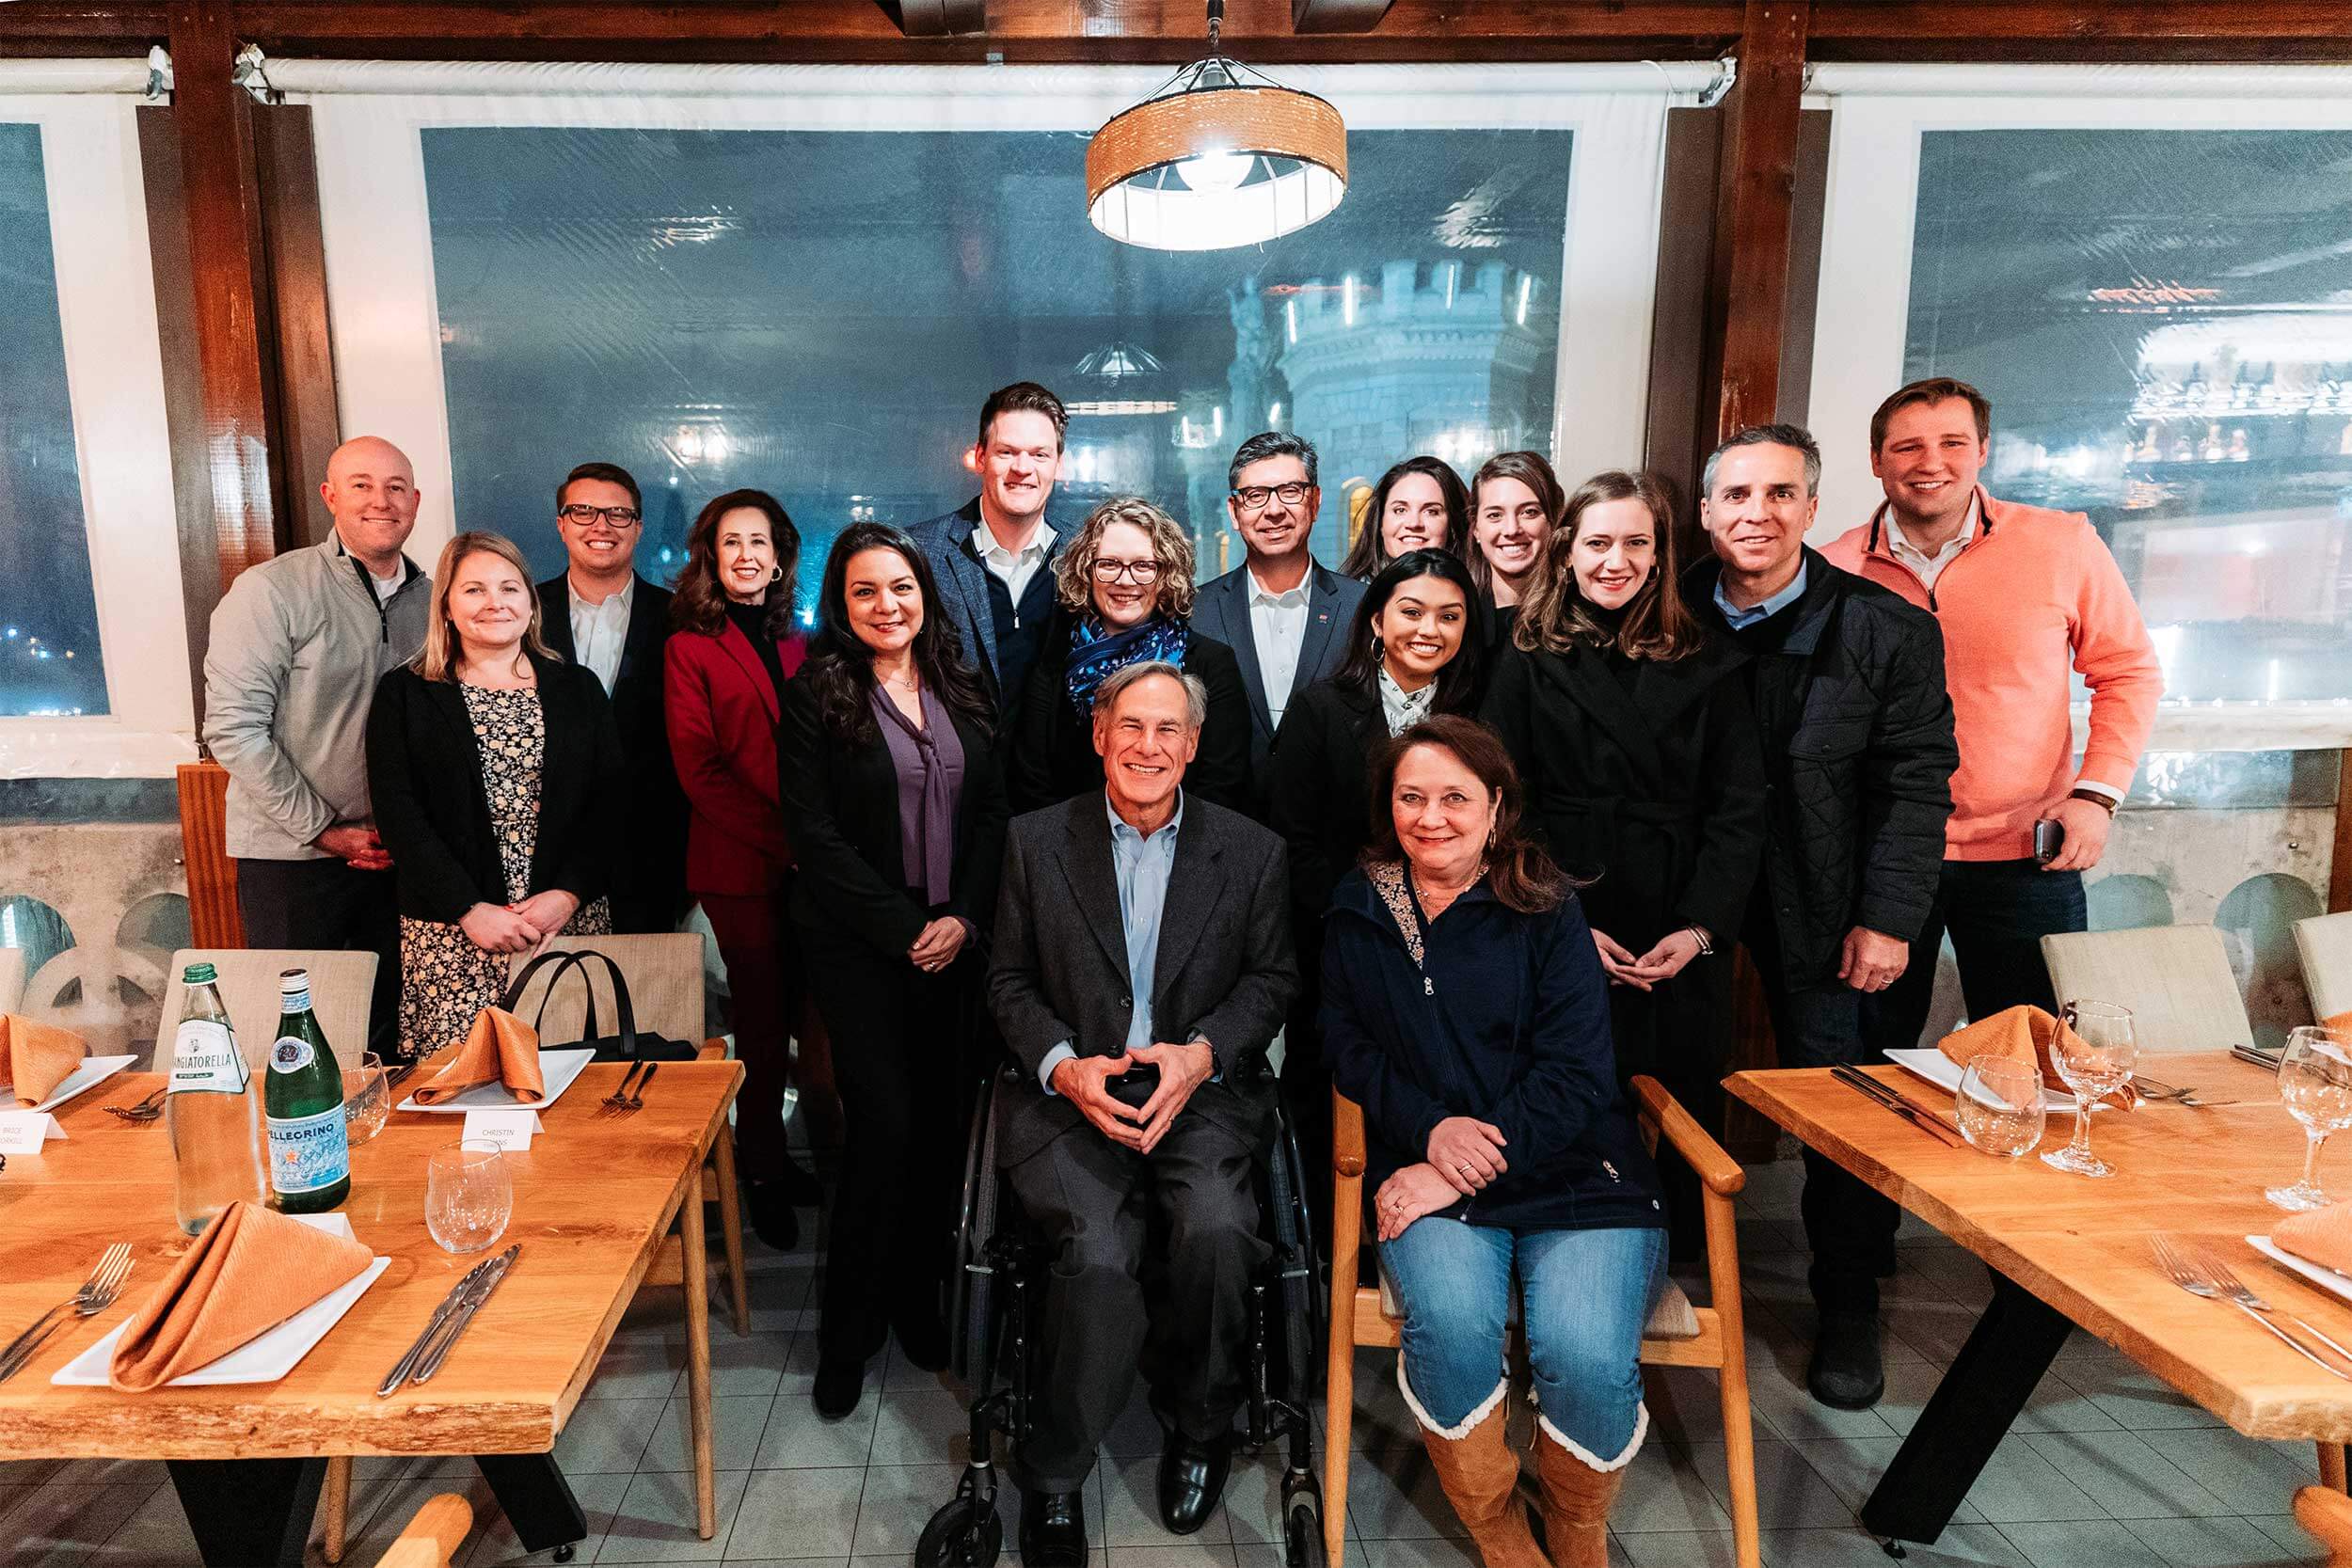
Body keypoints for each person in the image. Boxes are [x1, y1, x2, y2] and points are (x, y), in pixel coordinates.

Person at [1322, 715, 1665, 1568]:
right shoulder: (1360, 905)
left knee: (1583, 1353)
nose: (1431, 816)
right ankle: (1499, 1532)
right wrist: (1430, 1130)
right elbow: (1346, 1042)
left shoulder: (1547, 906)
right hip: (1430, 1160)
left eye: (1454, 798)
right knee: (1450, 1322)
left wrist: (1463, 1171)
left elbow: (1581, 1075)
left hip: (1578, 1172)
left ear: (1496, 805)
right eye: (1411, 797)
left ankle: (1578, 1532)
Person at [988, 661, 1295, 1565]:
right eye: (1132, 727)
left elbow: (1275, 979)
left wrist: (1200, 1055)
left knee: (1217, 1232)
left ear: (1194, 746)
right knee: (1097, 1254)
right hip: (1074, 1090)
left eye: (1169, 731)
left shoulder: (1251, 851)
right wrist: (1066, 1069)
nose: (1148, 746)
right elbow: (1004, 982)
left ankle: (1199, 1427)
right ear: (1099, 733)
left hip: (1198, 1089)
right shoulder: (1035, 841)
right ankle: (1054, 1474)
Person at [1692, 425, 1958, 1410]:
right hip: (1698, 891)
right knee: (1662, 1069)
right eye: (1735, 495)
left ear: (1812, 507)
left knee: (1841, 1105)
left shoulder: (1885, 626)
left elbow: (1916, 781)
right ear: (1707, 510)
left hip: (1830, 893)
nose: (1754, 513)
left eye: (1778, 494)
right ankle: (1663, 1269)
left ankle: (1847, 1303)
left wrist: (1887, 918)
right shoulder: (1669, 609)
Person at [1822, 379, 2160, 1068]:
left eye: (1951, 442)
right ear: (1876, 460)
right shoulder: (1832, 571)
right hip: (1880, 861)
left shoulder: (2062, 543)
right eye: (1907, 446)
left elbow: (2128, 671)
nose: (1930, 462)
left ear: (1983, 451)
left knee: (2034, 1066)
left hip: (2028, 857)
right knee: (1862, 1068)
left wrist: (2097, 795)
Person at [1481, 470, 1765, 1255]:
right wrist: (1565, 924)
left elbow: (1739, 810)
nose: (1617, 560)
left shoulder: (1712, 658)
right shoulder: (1525, 653)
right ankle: (1557, 1256)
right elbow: (1502, 801)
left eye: (1636, 542)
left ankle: (1675, 1265)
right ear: (1567, 551)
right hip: (1558, 911)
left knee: (1680, 1103)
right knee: (1560, 1093)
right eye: (1598, 542)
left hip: (1679, 920)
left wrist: (1702, 929)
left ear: (1661, 553)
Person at [777, 521, 1008, 1419]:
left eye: (901, 588)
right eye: (866, 590)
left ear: (925, 595)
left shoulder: (962, 681)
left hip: (957, 941)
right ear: (843, 602)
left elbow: (993, 810)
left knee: (944, 1132)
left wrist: (963, 918)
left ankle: (920, 1305)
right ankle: (848, 1336)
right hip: (861, 944)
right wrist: (909, 927)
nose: (887, 605)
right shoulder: (817, 693)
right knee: (884, 1131)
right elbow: (815, 837)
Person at [1266, 547, 1482, 1244]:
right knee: (1326, 1090)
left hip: (1457, 942)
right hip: (1338, 934)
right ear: (1378, 619)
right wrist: (1364, 910)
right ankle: (1328, 1255)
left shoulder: (1479, 711)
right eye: (1412, 611)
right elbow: (1289, 837)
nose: (1430, 629)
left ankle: (1430, 1234)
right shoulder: (1322, 707)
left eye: (1450, 616)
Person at [203, 436, 432, 1062]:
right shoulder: (271, 590)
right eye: (361, 485)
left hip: (395, 860)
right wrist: (325, 829)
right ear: (331, 496)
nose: (380, 501)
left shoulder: (437, 599)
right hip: (293, 862)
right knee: (304, 1043)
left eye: (395, 488)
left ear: (415, 502)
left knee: (389, 1039)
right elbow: (233, 729)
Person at [364, 531, 623, 1062]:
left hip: (561, 928)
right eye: (474, 590)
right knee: (460, 1098)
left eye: (509, 588)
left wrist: (568, 895)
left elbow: (612, 805)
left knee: (573, 1091)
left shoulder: (578, 688)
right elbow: (399, 815)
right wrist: (468, 909)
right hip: (453, 933)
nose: (494, 603)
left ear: (531, 604)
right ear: (448, 607)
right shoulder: (406, 693)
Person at [665, 488, 818, 1251]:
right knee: (757, 1026)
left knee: (799, 1021)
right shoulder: (690, 645)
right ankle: (761, 1172)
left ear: (781, 554)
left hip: (807, 868)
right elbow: (700, 770)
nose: (747, 555)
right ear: (711, 556)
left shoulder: (802, 641)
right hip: (738, 863)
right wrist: (789, 840)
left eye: (760, 541)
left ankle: (784, 1158)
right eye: (732, 542)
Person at [1009, 497, 1252, 814]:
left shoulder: (1210, 664)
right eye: (1109, 564)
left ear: (1167, 574)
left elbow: (1222, 787)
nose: (1125, 580)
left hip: (1184, 853)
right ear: (1086, 571)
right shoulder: (1054, 662)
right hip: (1070, 852)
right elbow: (1032, 784)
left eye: (1143, 566)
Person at [535, 461, 689, 936]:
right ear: (561, 525)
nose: (601, 525)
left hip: (653, 853)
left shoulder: (680, 619)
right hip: (544, 858)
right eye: (583, 512)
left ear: (638, 528)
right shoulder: (523, 614)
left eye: (618, 514)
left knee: (650, 1002)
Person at [1190, 432, 1367, 800]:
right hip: (1226, 831)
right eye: (1255, 496)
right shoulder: (1195, 611)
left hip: (1333, 837)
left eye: (1290, 491)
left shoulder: (1361, 608)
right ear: (1235, 512)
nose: (1273, 510)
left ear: (1315, 503)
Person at [907, 381, 1069, 721]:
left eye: (1040, 454)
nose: (1022, 468)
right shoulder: (920, 554)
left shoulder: (1084, 559)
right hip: (950, 771)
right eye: (1006, 452)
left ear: (1059, 464)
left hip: (1056, 772)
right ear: (981, 457)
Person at [1467, 451, 1562, 632]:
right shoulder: (1457, 615)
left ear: (1553, 520)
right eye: (1495, 515)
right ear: (1476, 528)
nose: (1512, 530)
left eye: (1529, 512)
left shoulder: (1581, 619)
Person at [1338, 455, 1472, 581]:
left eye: (1431, 511)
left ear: (1453, 525)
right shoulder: (1350, 601)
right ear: (1380, 522)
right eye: (1400, 510)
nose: (1414, 523)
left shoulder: (1476, 600)